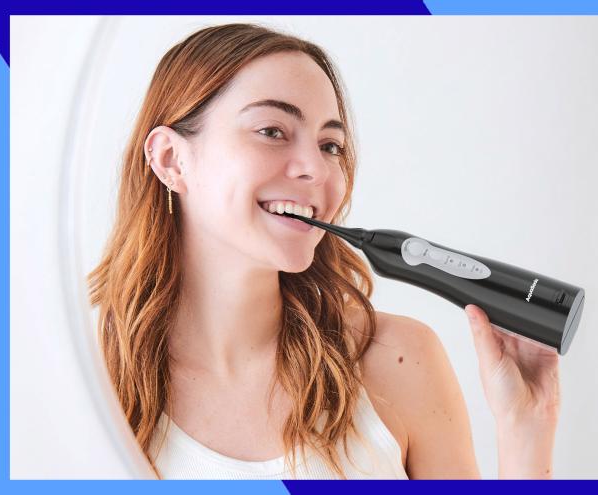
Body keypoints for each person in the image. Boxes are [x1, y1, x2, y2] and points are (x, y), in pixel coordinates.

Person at [87, 23, 560, 480]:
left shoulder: (398, 361)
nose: (316, 168)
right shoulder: (85, 377)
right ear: (171, 160)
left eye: (330, 144)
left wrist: (526, 431)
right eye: (272, 131)